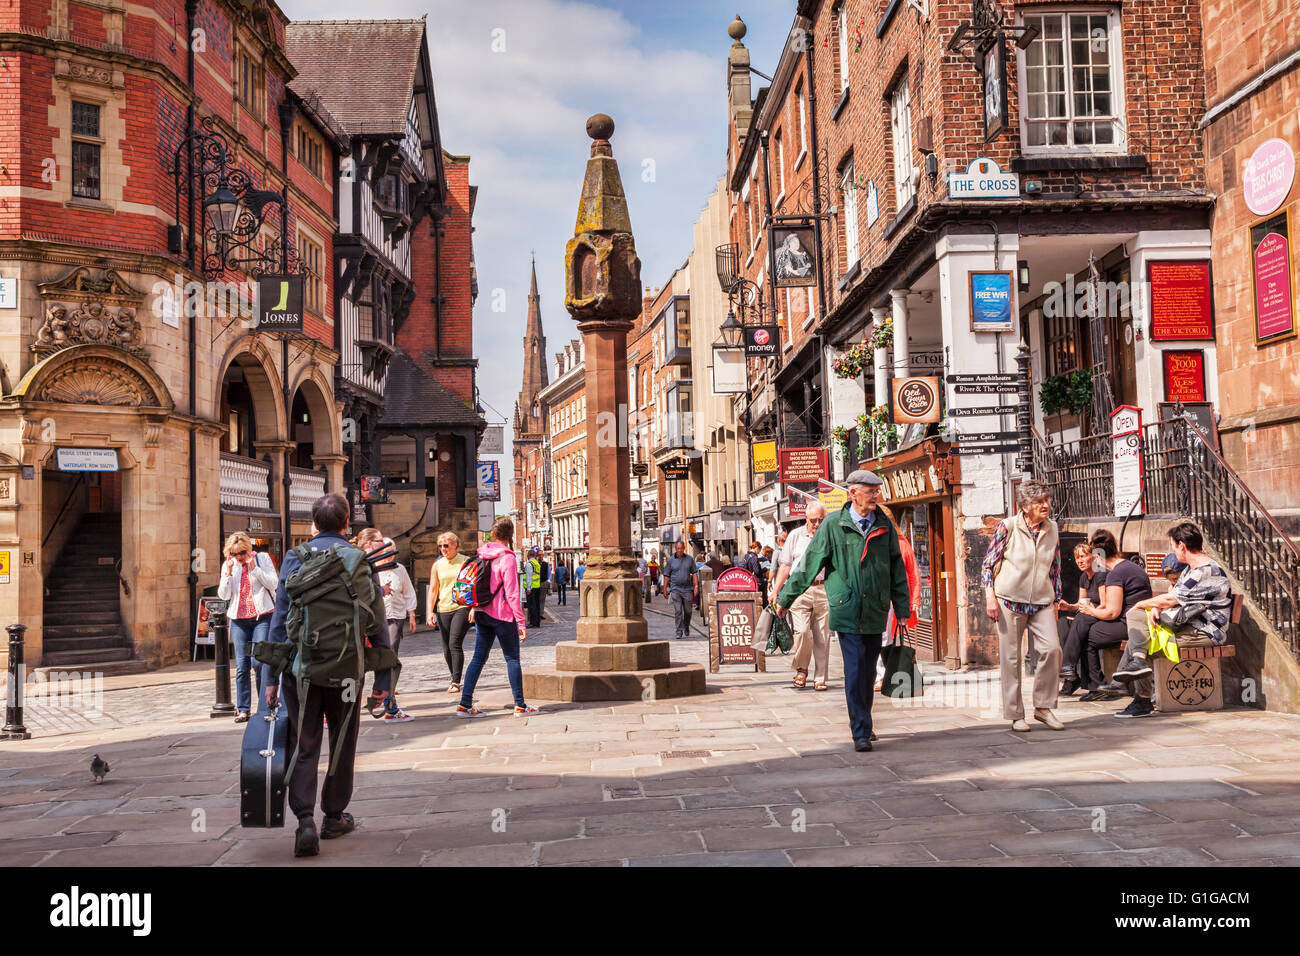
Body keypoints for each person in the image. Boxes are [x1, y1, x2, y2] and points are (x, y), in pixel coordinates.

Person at [262, 493, 392, 858]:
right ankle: (334, 816)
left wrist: (271, 678)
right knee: (342, 742)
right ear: (347, 525)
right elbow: (376, 620)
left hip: (301, 671)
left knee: (304, 744)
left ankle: (304, 819)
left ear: (313, 526)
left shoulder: (294, 558)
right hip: (348, 671)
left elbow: (279, 620)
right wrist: (382, 681)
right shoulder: (359, 560)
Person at [776, 471, 909, 751]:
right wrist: (785, 598)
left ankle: (865, 722)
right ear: (853, 494)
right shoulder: (833, 525)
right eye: (870, 491)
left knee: (868, 671)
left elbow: (897, 568)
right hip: (846, 608)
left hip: (875, 609)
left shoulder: (883, 523)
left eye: (877, 491)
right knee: (855, 669)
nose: (876, 496)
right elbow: (808, 564)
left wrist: (902, 607)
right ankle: (859, 731)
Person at [1109, 522, 1232, 718]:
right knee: (1137, 619)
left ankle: (1141, 699)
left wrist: (1144, 603)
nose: (1173, 551)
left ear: (1181, 545)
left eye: (1173, 546)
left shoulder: (1205, 570)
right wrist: (1155, 607)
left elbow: (1171, 598)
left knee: (1143, 639)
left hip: (1205, 631)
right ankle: (1138, 665)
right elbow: (1174, 595)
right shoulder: (1190, 570)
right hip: (1186, 625)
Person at [981, 480, 1065, 733]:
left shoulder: (1052, 529)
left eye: (1046, 500)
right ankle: (1016, 714)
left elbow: (1055, 567)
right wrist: (990, 597)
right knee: (1011, 659)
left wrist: (1057, 599)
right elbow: (988, 564)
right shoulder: (1008, 527)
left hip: (1041, 601)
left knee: (1052, 650)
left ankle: (1043, 706)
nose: (1046, 505)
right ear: (1025, 506)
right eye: (1039, 502)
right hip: (1008, 599)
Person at [457, 517, 538, 717]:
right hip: (503, 616)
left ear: (493, 534)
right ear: (510, 535)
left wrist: (474, 608)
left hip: (482, 612)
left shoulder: (483, 553)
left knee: (477, 658)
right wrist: (521, 622)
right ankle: (520, 705)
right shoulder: (507, 557)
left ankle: (465, 704)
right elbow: (511, 593)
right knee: (512, 658)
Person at [1074, 529, 1154, 701]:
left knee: (1086, 636)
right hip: (1138, 620)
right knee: (1086, 630)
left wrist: (1091, 611)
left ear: (1097, 555)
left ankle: (1097, 687)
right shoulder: (1130, 566)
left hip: (1130, 624)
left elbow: (1112, 612)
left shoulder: (1115, 574)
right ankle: (1105, 685)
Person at [354, 529, 416, 722]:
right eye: (381, 541)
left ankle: (387, 704)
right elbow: (364, 593)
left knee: (381, 663)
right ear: (370, 544)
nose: (385, 546)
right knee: (387, 661)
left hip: (381, 621)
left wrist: (411, 614)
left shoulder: (368, 565)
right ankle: (388, 706)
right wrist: (381, 590)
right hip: (368, 624)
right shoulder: (364, 565)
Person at [217, 531, 278, 723]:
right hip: (239, 619)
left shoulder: (262, 559)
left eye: (242, 553)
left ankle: (264, 706)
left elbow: (274, 583)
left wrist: (254, 569)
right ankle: (243, 709)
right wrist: (227, 573)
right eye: (235, 554)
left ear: (249, 549)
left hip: (262, 617)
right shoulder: (230, 565)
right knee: (242, 665)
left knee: (259, 663)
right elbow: (224, 595)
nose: (239, 558)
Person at [769, 501, 830, 691]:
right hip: (799, 591)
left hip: (823, 589)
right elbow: (785, 566)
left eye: (821, 520)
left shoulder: (829, 536)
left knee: (823, 636)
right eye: (814, 520)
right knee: (803, 631)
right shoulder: (795, 536)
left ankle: (820, 677)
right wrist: (776, 591)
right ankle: (802, 669)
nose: (818, 524)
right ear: (806, 519)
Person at [1055, 542, 1108, 696]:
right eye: (1077, 558)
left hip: (1101, 614)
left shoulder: (1101, 574)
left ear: (1093, 557)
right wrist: (1069, 607)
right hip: (1087, 614)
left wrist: (1090, 610)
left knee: (1081, 622)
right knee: (1063, 624)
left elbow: (1105, 605)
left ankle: (1067, 665)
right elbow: (1080, 603)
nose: (1080, 561)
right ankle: (1072, 677)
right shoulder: (1084, 577)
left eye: (1083, 556)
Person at [426, 530, 470, 694]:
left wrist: (473, 608)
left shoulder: (466, 562)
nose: (443, 549)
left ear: (455, 544)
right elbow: (433, 589)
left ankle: (456, 682)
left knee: (454, 643)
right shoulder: (437, 565)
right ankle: (454, 676)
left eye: (446, 545)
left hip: (461, 606)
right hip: (443, 608)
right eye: (440, 546)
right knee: (446, 648)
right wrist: (430, 611)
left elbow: (472, 588)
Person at [661, 539, 698, 640]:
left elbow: (694, 573)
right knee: (678, 611)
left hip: (687, 589)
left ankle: (686, 626)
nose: (679, 550)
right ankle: (679, 630)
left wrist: (696, 586)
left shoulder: (690, 559)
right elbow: (667, 575)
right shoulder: (670, 560)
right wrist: (664, 588)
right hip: (675, 589)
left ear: (684, 548)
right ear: (675, 549)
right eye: (678, 549)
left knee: (688, 611)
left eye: (681, 548)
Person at [522, 547, 543, 627]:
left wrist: (528, 588)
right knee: (537, 605)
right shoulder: (536, 563)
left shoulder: (529, 564)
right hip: (537, 586)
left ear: (529, 555)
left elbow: (529, 577)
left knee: (531, 606)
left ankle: (532, 623)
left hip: (531, 588)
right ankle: (537, 622)